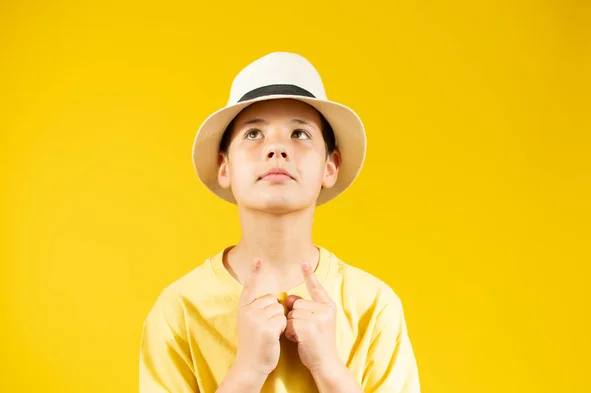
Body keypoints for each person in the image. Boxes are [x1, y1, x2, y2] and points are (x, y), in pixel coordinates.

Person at [139, 52, 421, 393]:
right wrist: (247, 371)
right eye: (254, 133)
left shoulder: (374, 306)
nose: (276, 148)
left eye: (299, 134)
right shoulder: (179, 309)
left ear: (330, 166)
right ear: (224, 166)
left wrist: (329, 368)